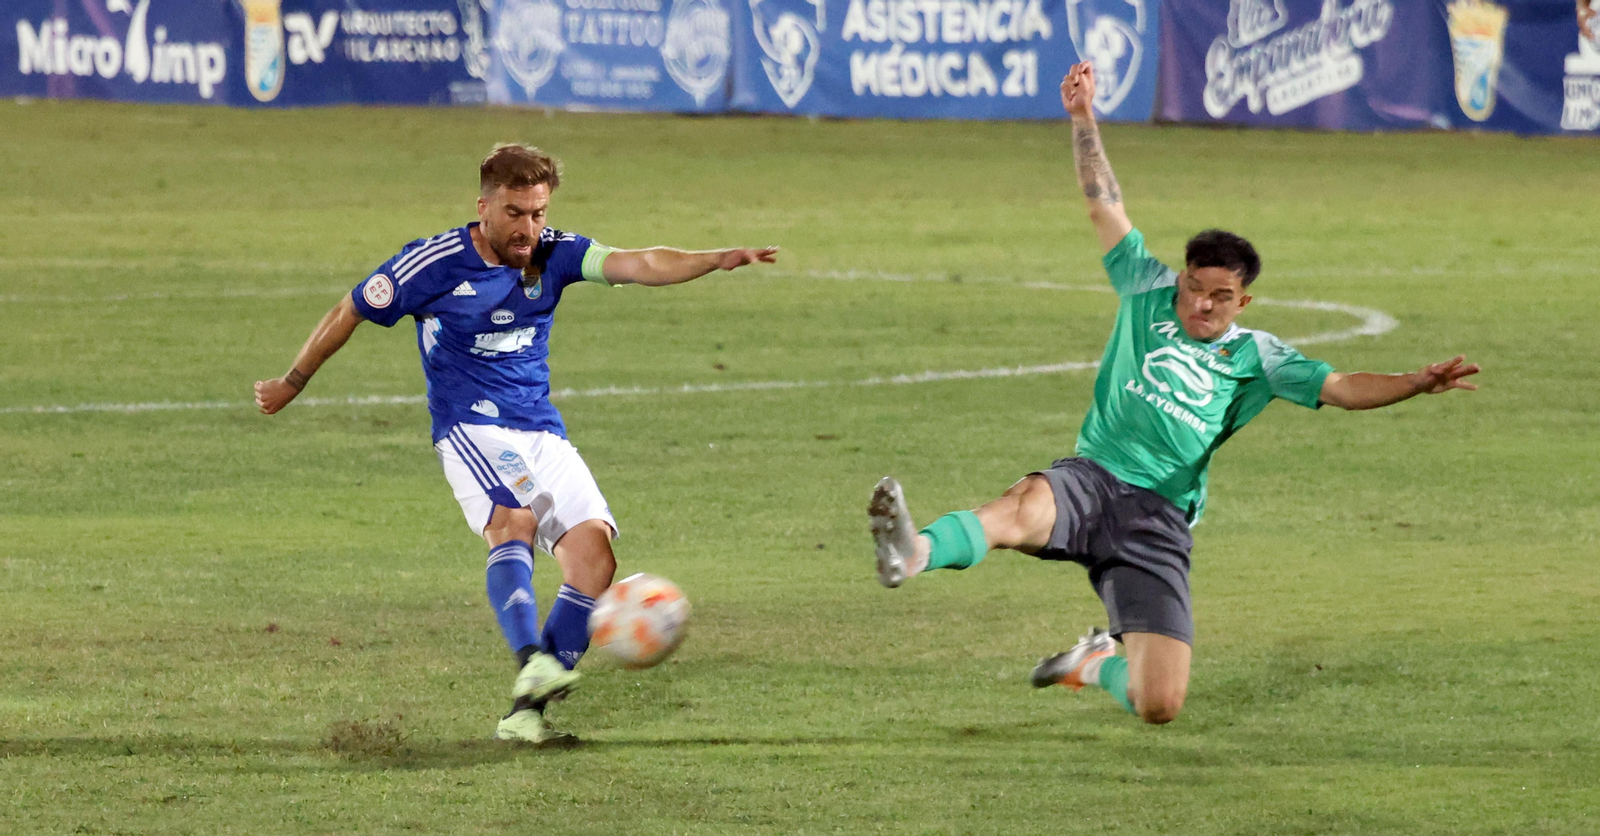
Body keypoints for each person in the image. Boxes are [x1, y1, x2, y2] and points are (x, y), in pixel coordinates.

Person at [867, 62, 1480, 725]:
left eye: (1221, 296)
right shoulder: (1143, 285)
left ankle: (1093, 663)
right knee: (1018, 510)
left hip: (1157, 518)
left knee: (1159, 703)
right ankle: (915, 550)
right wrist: (1083, 119)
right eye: (1194, 287)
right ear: (1183, 277)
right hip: (1093, 478)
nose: (1202, 304)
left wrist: (1414, 384)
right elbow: (1104, 200)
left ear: (1242, 299)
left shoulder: (1256, 358)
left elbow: (1340, 387)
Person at [255, 144, 777, 743]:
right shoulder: (433, 264)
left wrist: (716, 258)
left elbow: (639, 263)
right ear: (483, 207)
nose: (528, 228)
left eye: (538, 212)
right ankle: (532, 656)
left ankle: (526, 714)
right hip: (471, 424)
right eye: (514, 213)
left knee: (594, 558)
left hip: (539, 427)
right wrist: (292, 381)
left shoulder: (555, 252)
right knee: (515, 516)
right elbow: (349, 310)